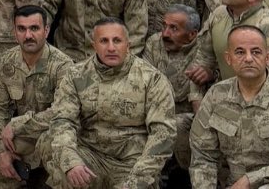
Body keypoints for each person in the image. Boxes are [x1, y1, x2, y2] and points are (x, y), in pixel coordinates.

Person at [41, 18, 175, 189]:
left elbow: (163, 136)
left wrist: (135, 182)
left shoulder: (152, 79)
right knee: (61, 163)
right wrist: (71, 162)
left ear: (128, 44)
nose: (111, 47)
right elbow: (62, 121)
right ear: (94, 44)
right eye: (104, 41)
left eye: (117, 40)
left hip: (133, 163)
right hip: (91, 155)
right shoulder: (76, 76)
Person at [188, 25, 269, 189]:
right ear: (228, 58)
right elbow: (203, 155)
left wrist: (251, 179)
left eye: (256, 52)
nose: (248, 58)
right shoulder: (216, 95)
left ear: (267, 58)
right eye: (240, 52)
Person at [0, 5, 74, 189]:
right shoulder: (5, 61)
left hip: (52, 140)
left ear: (46, 30)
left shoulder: (63, 66)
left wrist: (19, 123)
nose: (28, 36)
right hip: (21, 140)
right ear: (14, 32)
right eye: (22, 29)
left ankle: (40, 178)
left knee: (67, 173)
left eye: (34, 28)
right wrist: (0, 151)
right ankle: (23, 178)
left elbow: (63, 112)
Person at [142, 5, 200, 173]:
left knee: (178, 125)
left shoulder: (203, 51)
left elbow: (199, 97)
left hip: (186, 116)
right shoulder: (154, 42)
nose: (165, 34)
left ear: (192, 34)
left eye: (174, 28)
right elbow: (146, 81)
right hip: (155, 109)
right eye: (164, 26)